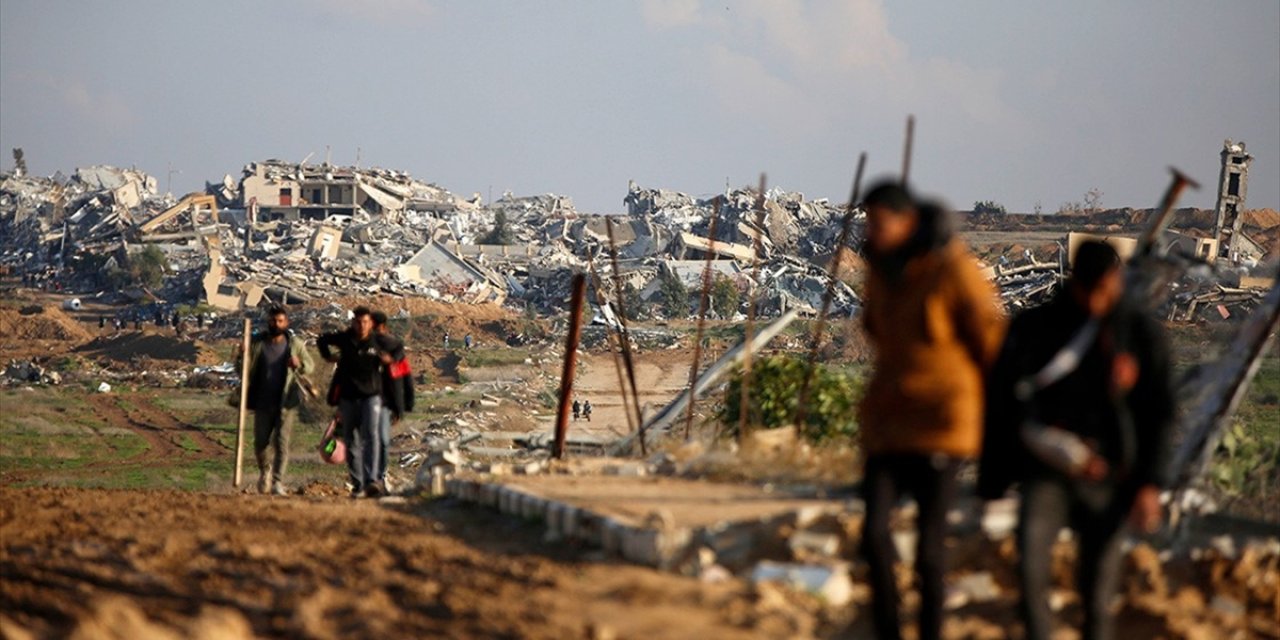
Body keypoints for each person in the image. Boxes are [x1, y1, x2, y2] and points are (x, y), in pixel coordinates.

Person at [980, 240, 1173, 640]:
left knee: (1097, 587)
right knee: (1031, 567)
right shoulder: (1036, 328)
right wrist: (993, 479)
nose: (1100, 300)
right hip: (1047, 470)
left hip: (1109, 473)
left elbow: (1158, 412)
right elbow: (1002, 402)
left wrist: (1150, 482)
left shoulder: (1137, 334)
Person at [856, 182, 1006, 640]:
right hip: (889, 423)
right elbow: (875, 329)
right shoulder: (882, 272)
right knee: (874, 536)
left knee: (928, 549)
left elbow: (989, 342)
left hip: (942, 425)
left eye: (880, 223)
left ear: (908, 223)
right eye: (869, 222)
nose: (873, 232)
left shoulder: (952, 270)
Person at [319, 307, 399, 498]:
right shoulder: (346, 339)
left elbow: (398, 350)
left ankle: (372, 481)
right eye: (358, 322)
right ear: (353, 323)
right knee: (351, 441)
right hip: (348, 398)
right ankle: (359, 484)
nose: (361, 326)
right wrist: (329, 356)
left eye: (365, 322)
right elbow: (322, 340)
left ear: (370, 323)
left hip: (371, 397)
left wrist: (390, 359)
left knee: (371, 437)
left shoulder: (378, 341)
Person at [241, 306, 314, 495]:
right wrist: (242, 355)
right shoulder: (258, 343)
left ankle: (277, 482)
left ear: (286, 322)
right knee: (260, 443)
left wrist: (299, 364)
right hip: (262, 401)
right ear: (268, 322)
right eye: (274, 321)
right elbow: (242, 369)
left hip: (285, 402)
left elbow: (310, 366)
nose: (277, 324)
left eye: (280, 321)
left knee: (281, 442)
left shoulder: (294, 344)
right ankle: (265, 470)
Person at [371, 311, 411, 493]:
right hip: (365, 399)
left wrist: (399, 406)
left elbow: (402, 378)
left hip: (385, 402)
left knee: (383, 440)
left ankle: (379, 476)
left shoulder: (395, 349)